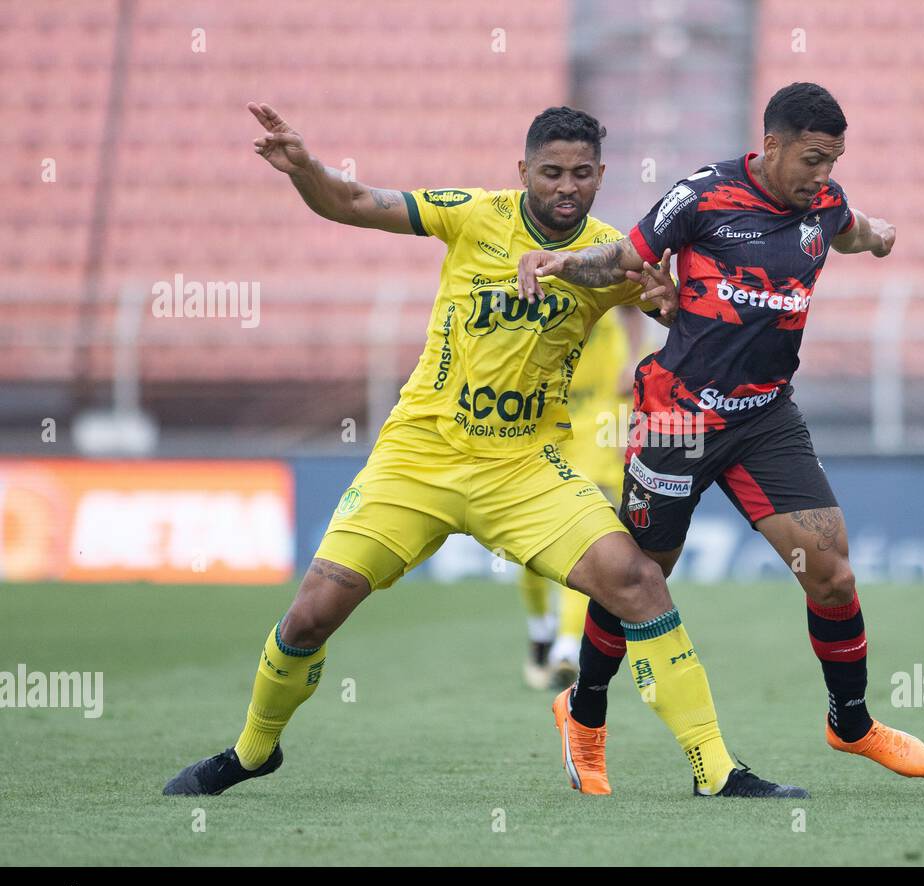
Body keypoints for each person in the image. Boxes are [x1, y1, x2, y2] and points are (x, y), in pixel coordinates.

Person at [162, 102, 806, 800]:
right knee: (311, 613)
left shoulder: (608, 256)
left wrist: (671, 303)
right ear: (522, 171)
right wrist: (304, 169)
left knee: (639, 584)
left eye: (582, 174)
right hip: (419, 459)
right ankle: (254, 750)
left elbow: (676, 313)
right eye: (552, 172)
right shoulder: (471, 214)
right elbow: (350, 201)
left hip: (524, 467)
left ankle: (714, 770)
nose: (567, 186)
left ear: (601, 175)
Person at [517, 83, 924, 792]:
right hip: (679, 414)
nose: (822, 174)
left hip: (765, 417)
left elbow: (852, 227)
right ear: (771, 146)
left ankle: (851, 721)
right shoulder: (703, 196)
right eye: (812, 158)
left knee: (831, 570)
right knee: (641, 578)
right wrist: (562, 262)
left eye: (833, 160)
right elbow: (627, 258)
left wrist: (879, 237)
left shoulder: (824, 205)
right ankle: (584, 713)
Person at [519, 305, 642, 690]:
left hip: (599, 415)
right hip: (538, 415)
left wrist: (636, 358)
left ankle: (568, 647)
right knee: (525, 539)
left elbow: (634, 303)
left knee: (583, 528)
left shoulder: (593, 252)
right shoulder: (519, 266)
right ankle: (542, 628)